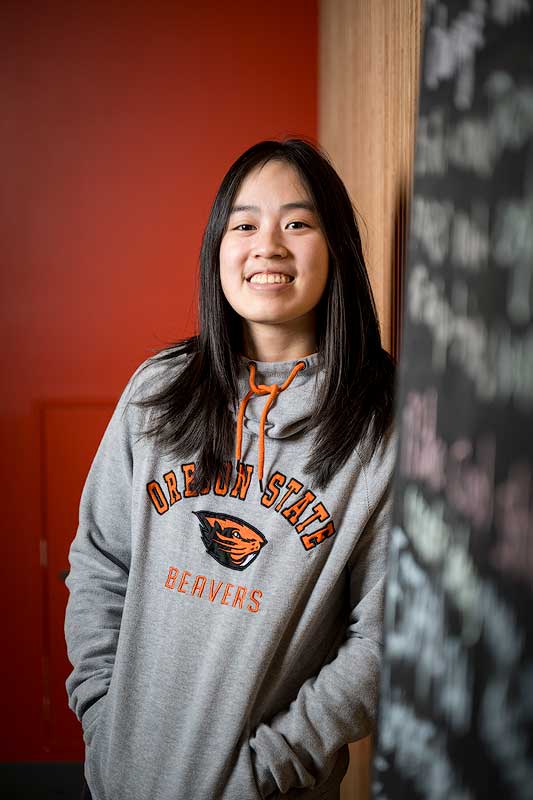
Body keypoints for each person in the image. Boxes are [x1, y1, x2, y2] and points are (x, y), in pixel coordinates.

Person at [65, 137, 396, 800]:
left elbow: (386, 631)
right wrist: (103, 716)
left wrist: (275, 762)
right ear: (218, 248)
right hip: (121, 779)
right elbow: (100, 563)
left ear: (336, 250)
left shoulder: (379, 420)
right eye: (243, 224)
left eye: (297, 224)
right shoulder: (157, 391)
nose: (267, 246)